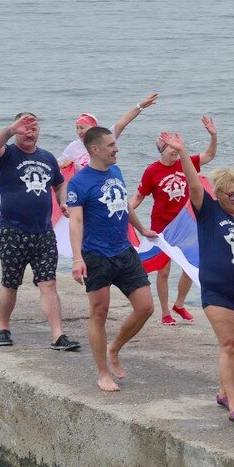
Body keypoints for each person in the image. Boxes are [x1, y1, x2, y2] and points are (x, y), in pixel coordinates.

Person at [160, 131, 234, 422]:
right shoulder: (209, 211)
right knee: (231, 344)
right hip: (217, 292)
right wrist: (183, 151)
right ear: (220, 194)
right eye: (232, 195)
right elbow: (193, 183)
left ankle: (224, 392)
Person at [68, 126, 157, 392]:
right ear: (94, 149)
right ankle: (102, 373)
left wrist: (141, 229)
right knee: (99, 313)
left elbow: (124, 205)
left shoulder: (115, 171)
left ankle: (114, 347)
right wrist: (76, 259)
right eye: (111, 145)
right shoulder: (79, 182)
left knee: (145, 307)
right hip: (96, 255)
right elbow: (75, 220)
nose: (116, 149)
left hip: (124, 250)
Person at [0, 112, 79, 351]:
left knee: (48, 283)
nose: (29, 132)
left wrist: (62, 200)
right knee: (10, 282)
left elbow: (59, 183)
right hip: (12, 231)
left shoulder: (47, 157)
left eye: (33, 128)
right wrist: (10, 129)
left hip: (44, 233)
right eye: (24, 128)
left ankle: (58, 335)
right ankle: (3, 327)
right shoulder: (7, 154)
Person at [131, 116, 218, 326]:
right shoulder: (152, 171)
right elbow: (139, 196)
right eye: (170, 147)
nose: (174, 151)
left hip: (186, 224)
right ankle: (165, 312)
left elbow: (209, 155)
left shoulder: (186, 163)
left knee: (190, 266)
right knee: (164, 271)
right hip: (162, 227)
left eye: (175, 147)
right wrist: (124, 211)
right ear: (161, 149)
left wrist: (213, 135)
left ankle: (179, 304)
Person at [56, 93, 160, 173]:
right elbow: (56, 164)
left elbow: (122, 123)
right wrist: (62, 164)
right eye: (77, 128)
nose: (79, 131)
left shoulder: (104, 138)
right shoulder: (73, 146)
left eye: (82, 128)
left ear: (93, 127)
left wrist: (140, 106)